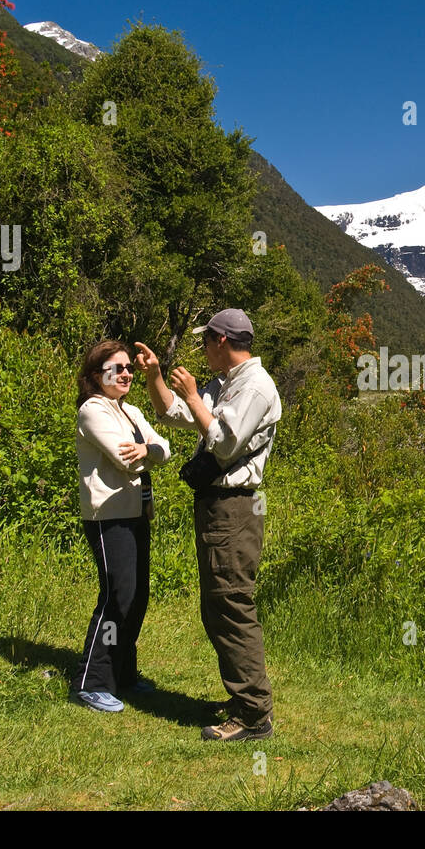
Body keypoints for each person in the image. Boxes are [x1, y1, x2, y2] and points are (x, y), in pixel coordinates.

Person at [134, 309, 281, 741]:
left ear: (221, 341)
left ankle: (254, 716)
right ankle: (243, 699)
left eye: (205, 341)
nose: (202, 349)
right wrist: (156, 378)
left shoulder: (255, 386)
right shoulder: (230, 383)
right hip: (219, 507)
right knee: (217, 607)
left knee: (231, 605)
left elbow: (225, 441)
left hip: (235, 508)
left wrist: (196, 396)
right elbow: (176, 414)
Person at [71, 340, 171, 713]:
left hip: (136, 513)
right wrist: (149, 451)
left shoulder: (130, 412)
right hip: (108, 516)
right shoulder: (92, 411)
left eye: (130, 367)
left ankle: (123, 673)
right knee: (118, 596)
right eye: (118, 368)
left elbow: (164, 448)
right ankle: (92, 681)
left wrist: (149, 449)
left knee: (137, 595)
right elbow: (125, 459)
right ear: (98, 375)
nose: (127, 373)